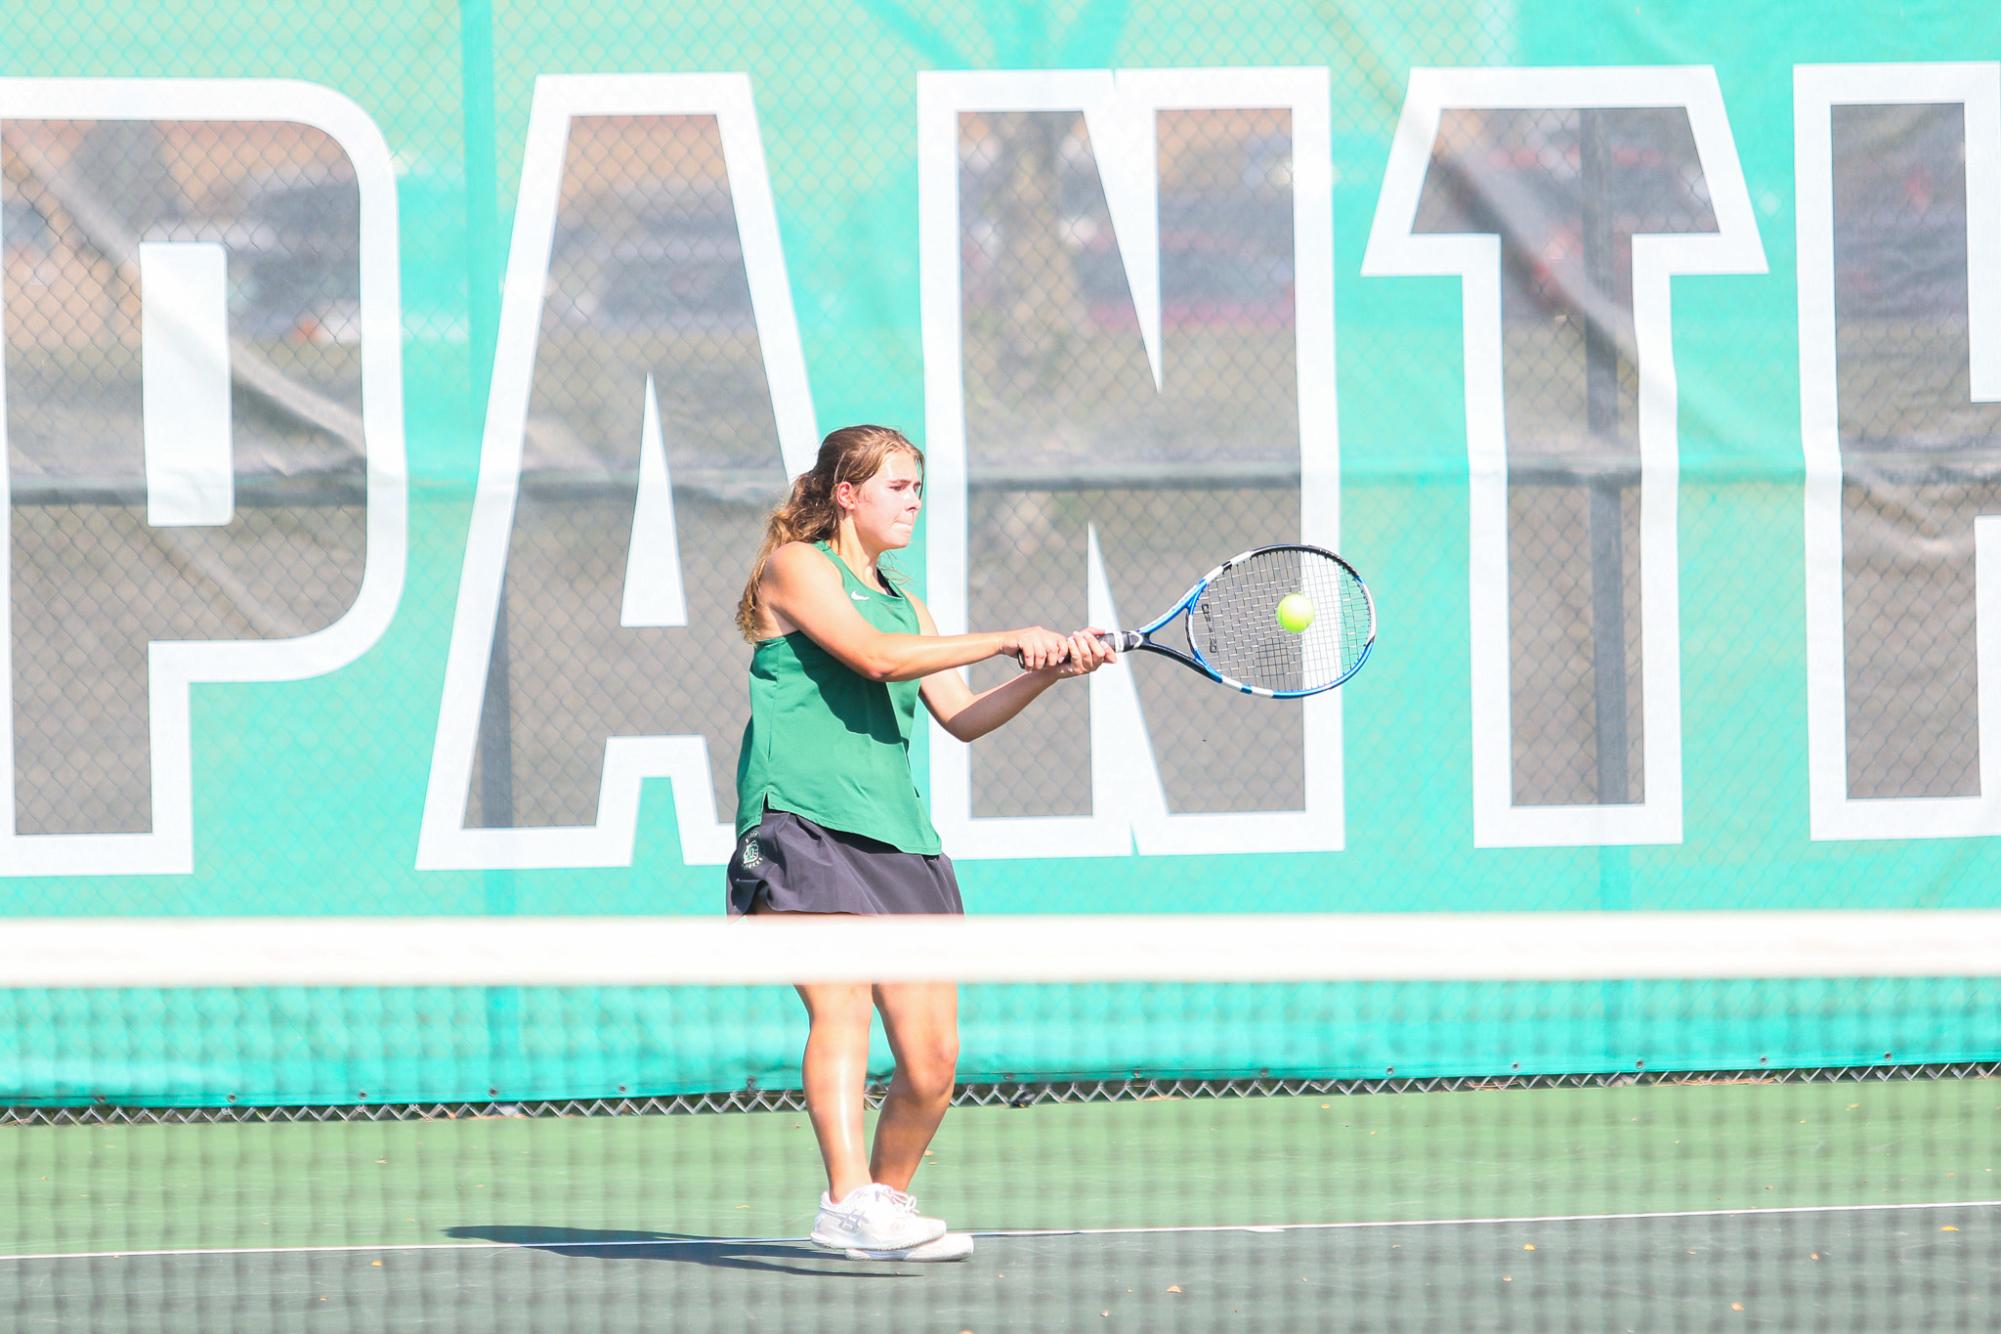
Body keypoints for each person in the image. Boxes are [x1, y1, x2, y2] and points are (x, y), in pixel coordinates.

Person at [728, 424, 1113, 1262]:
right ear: (846, 493)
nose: (912, 502)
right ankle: (844, 1202)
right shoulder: (796, 568)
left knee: (933, 1058)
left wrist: (1044, 670)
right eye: (897, 486)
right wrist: (1007, 634)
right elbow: (871, 658)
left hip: (899, 839)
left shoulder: (910, 605)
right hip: (799, 820)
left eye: (917, 488)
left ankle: (887, 1206)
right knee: (841, 1012)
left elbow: (963, 717)